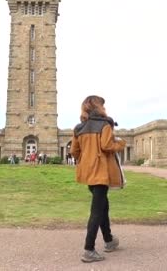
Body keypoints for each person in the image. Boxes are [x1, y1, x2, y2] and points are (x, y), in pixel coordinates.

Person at [70, 95, 126, 263]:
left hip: (88, 173)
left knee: (103, 207)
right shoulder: (104, 125)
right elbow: (107, 146)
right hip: (101, 173)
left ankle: (109, 240)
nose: (105, 108)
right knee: (97, 211)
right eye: (103, 105)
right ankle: (89, 249)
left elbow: (74, 151)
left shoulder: (79, 128)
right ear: (97, 107)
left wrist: (85, 159)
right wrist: (121, 144)